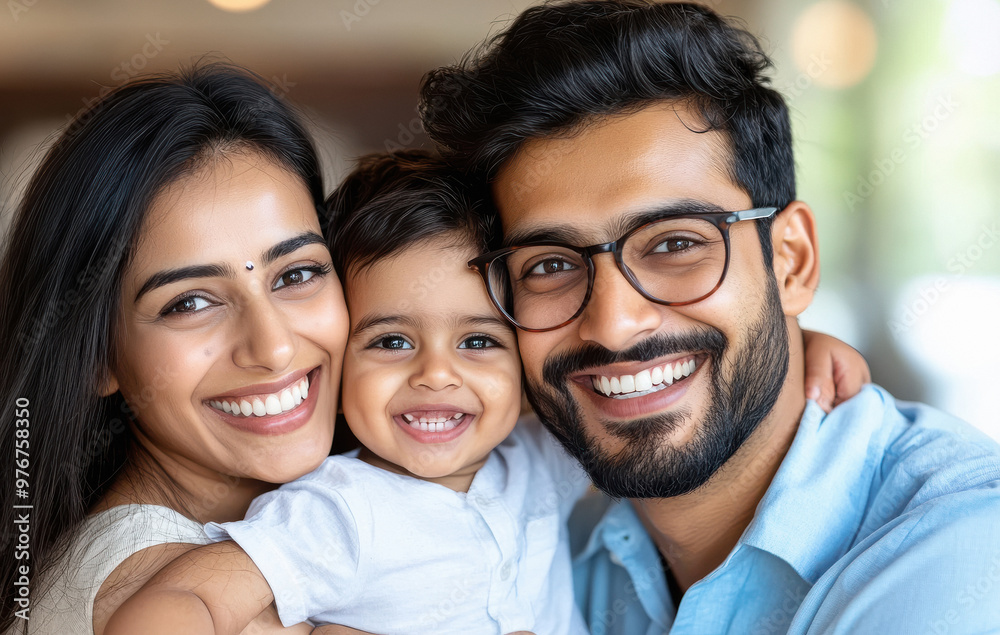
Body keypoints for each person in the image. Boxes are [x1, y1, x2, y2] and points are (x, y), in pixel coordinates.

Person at [103, 150, 869, 635]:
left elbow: (633, 392)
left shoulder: (535, 457)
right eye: (392, 341)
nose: (437, 375)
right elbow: (186, 603)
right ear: (335, 361)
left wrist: (795, 344)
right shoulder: (338, 511)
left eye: (478, 342)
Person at [420, 0, 1000, 634]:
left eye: (675, 244)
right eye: (551, 265)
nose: (614, 325)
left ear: (792, 263)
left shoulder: (962, 555)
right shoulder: (548, 545)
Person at [0, 63, 345, 634]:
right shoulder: (181, 608)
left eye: (296, 274)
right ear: (97, 357)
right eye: (189, 303)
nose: (275, 347)